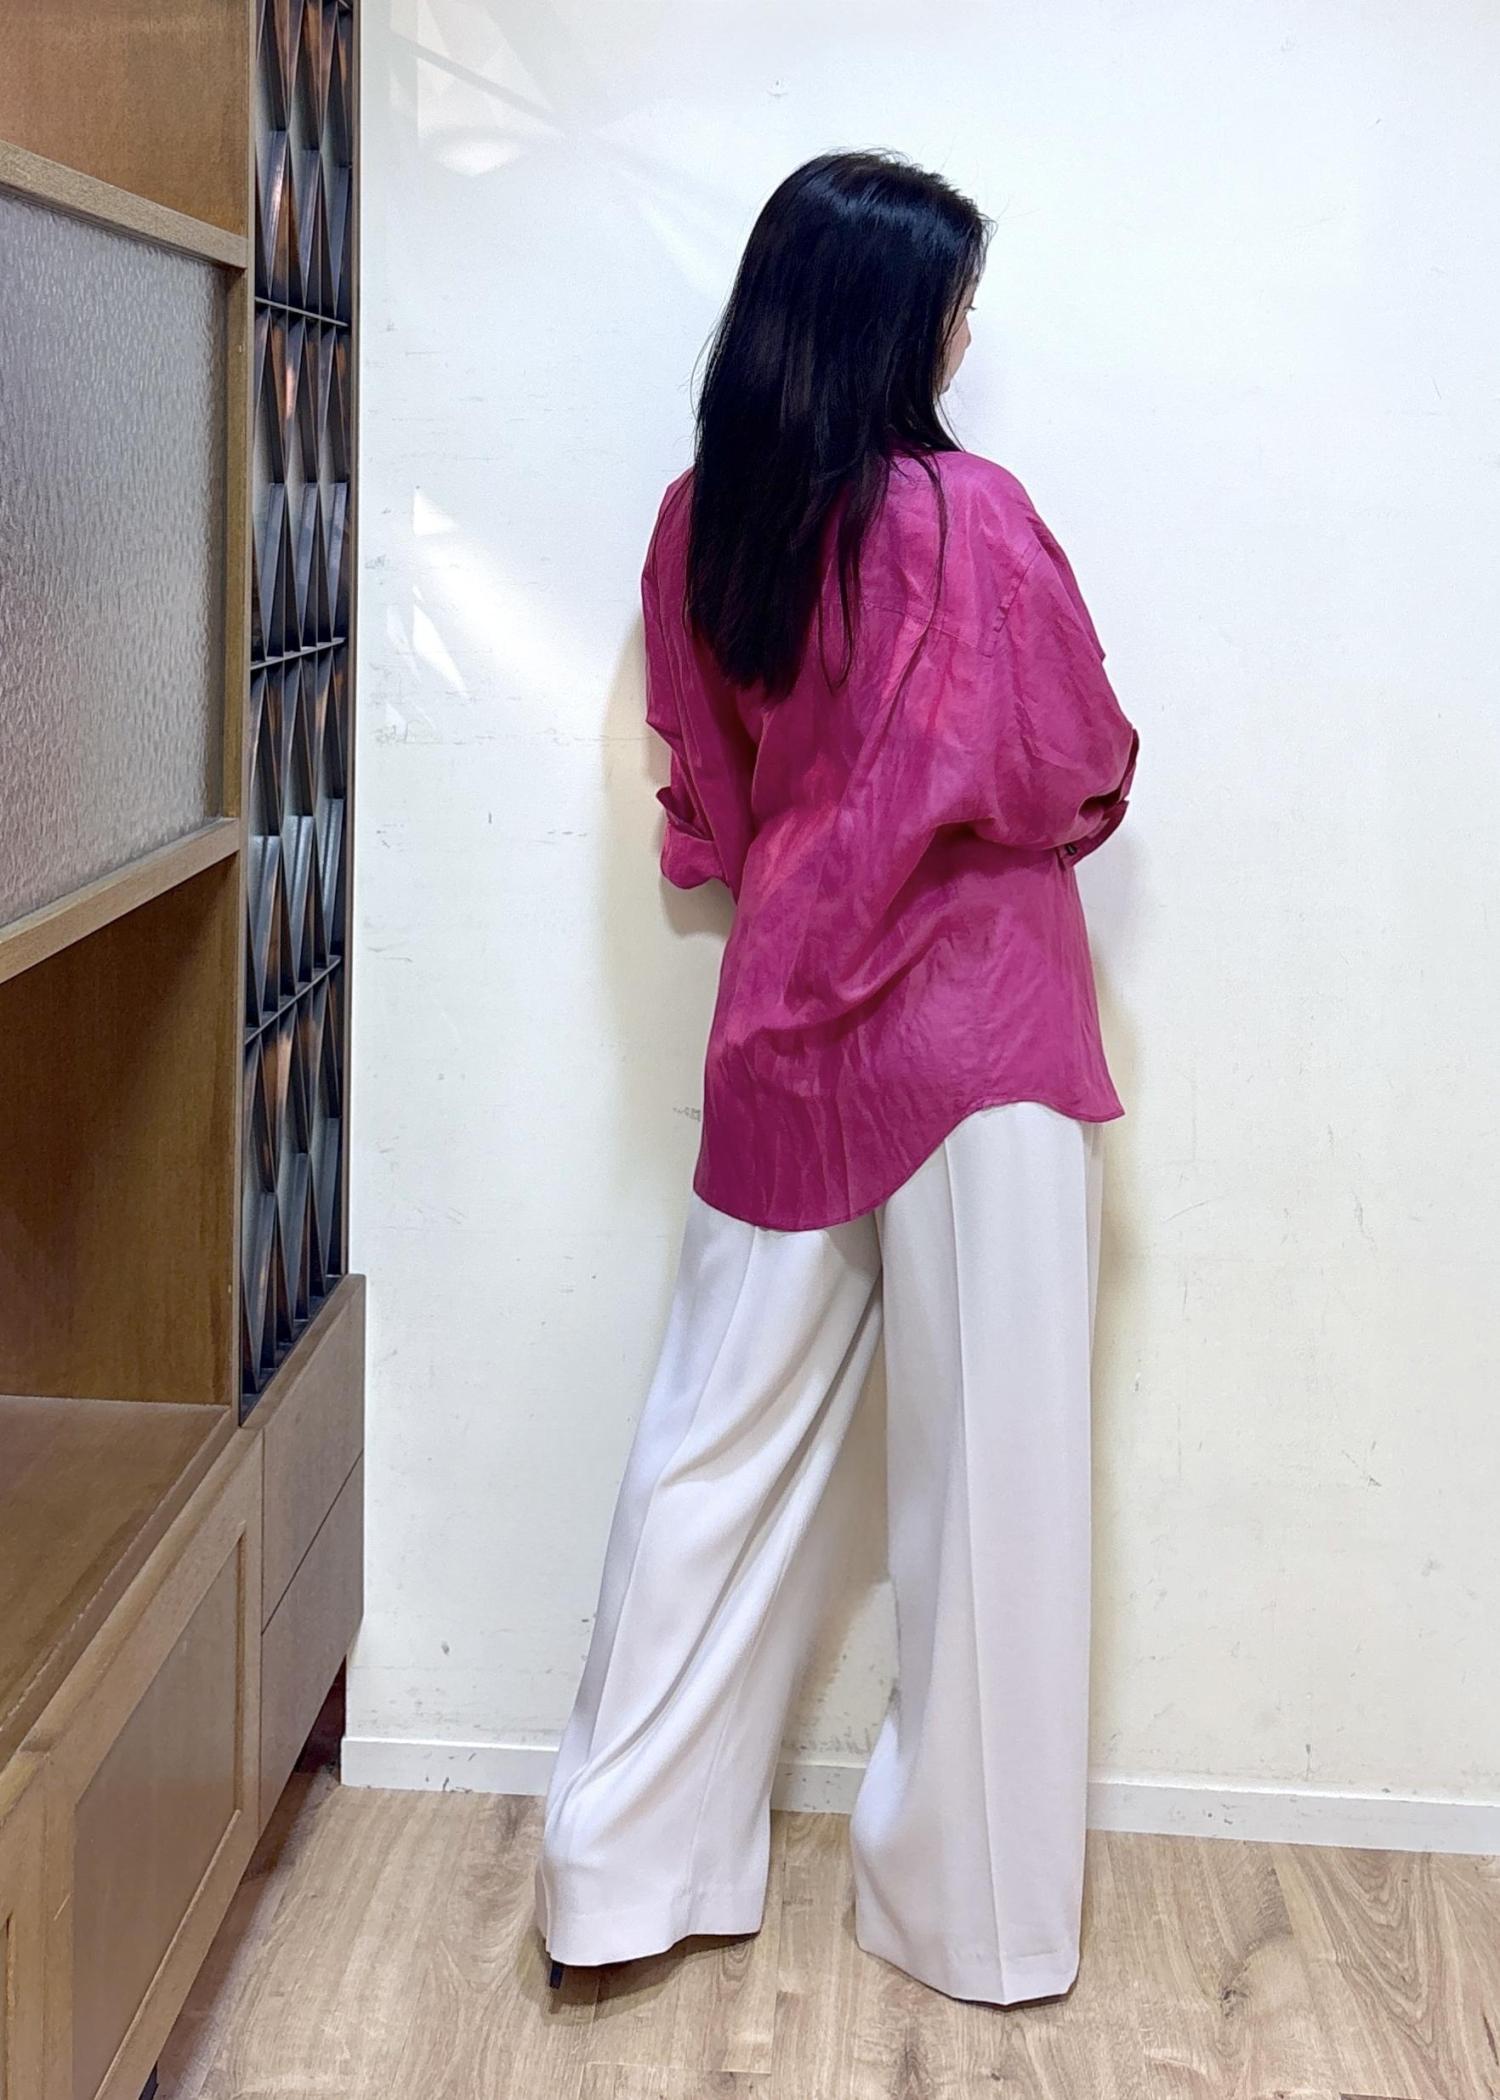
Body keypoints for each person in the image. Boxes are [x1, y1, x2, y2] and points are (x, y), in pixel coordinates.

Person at [534, 148, 1139, 2008]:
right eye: (953, 303)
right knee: (993, 1484)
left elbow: (711, 808)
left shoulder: (700, 522)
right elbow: (1076, 768)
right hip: (986, 1037)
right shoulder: (979, 517)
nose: (963, 333)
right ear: (892, 318)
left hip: (792, 1027)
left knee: (709, 1450)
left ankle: (616, 1873)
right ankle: (977, 1920)